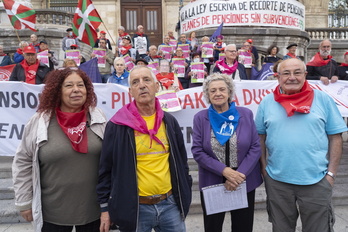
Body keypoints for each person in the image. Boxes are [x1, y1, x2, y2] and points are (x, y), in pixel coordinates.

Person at [255, 58, 347, 232]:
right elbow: (260, 137)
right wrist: (264, 169)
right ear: (278, 77)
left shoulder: (323, 99)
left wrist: (331, 174)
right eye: (286, 73)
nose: (292, 77)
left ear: (305, 75)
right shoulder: (266, 102)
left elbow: (336, 137)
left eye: (297, 72)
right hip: (277, 182)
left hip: (317, 180)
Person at [97, 65, 192, 232]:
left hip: (170, 205)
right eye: (135, 82)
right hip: (136, 209)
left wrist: (185, 193)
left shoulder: (169, 122)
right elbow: (106, 169)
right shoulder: (117, 125)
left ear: (156, 87)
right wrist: (105, 208)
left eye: (146, 80)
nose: (141, 85)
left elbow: (182, 163)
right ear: (130, 92)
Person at [12, 67, 107, 232]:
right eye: (69, 85)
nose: (76, 90)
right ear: (57, 91)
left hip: (93, 212)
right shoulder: (40, 121)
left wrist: (108, 206)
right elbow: (23, 161)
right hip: (52, 214)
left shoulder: (98, 117)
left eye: (80, 85)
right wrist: (24, 201)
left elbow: (110, 163)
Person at [192, 73, 262, 232]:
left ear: (230, 92)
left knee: (242, 227)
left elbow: (255, 147)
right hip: (213, 181)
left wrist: (238, 176)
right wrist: (225, 171)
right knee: (213, 227)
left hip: (243, 180)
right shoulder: (200, 118)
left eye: (222, 89)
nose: (218, 93)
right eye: (213, 90)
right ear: (207, 95)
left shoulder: (245, 114)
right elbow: (197, 151)